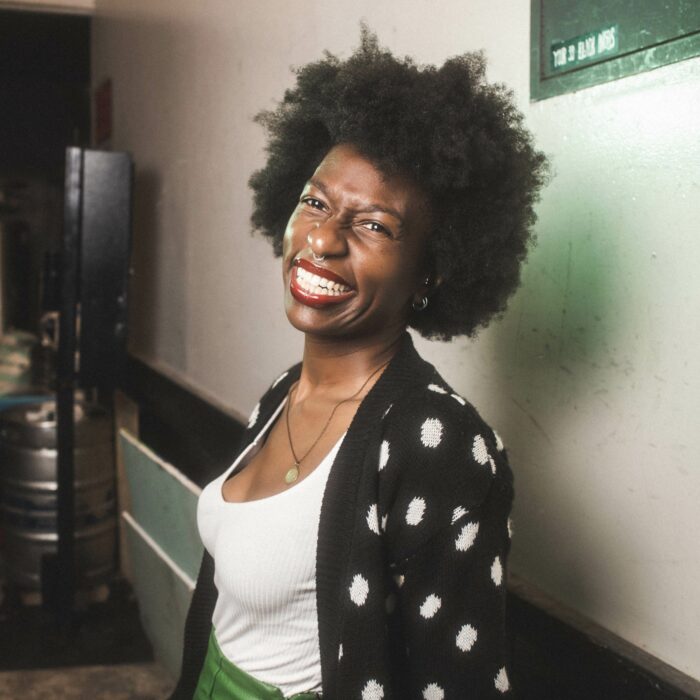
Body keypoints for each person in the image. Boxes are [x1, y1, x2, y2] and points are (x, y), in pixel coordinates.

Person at [171, 28, 547, 700]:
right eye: (315, 202)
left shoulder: (439, 443)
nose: (321, 239)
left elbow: (458, 684)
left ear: (429, 272)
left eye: (373, 224)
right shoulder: (281, 397)